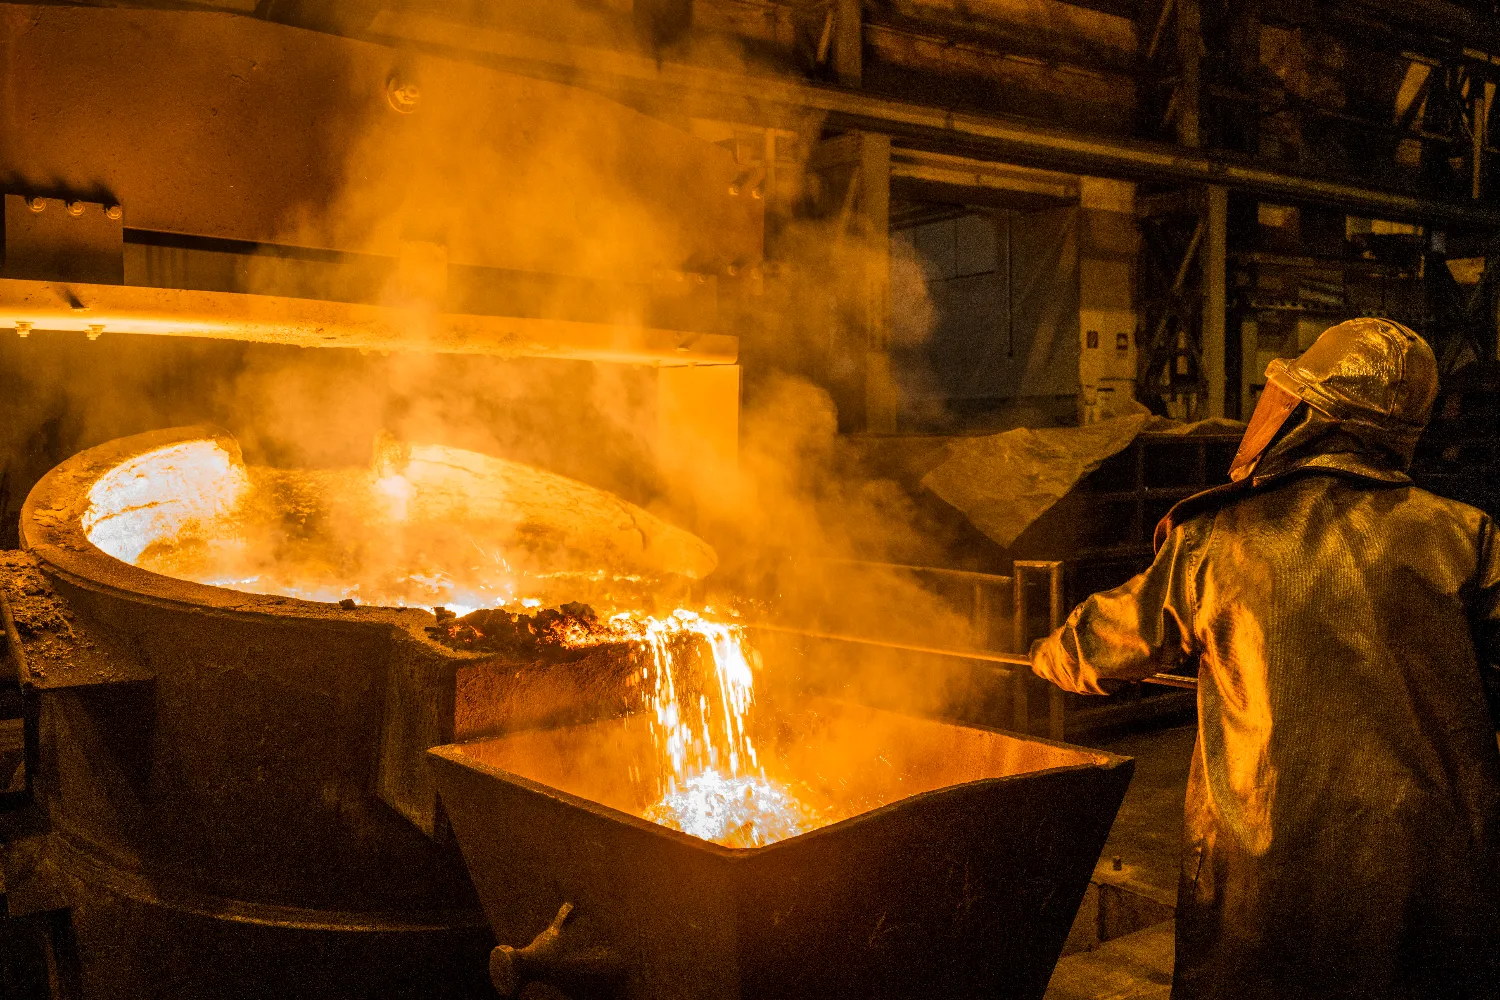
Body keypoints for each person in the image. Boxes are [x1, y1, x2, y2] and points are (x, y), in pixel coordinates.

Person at [1030, 318, 1500, 999]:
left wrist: (1047, 654)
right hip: (1436, 866)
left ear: (1313, 417)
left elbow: (1104, 645)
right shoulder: (1467, 535)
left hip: (1267, 865)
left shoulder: (1221, 537)